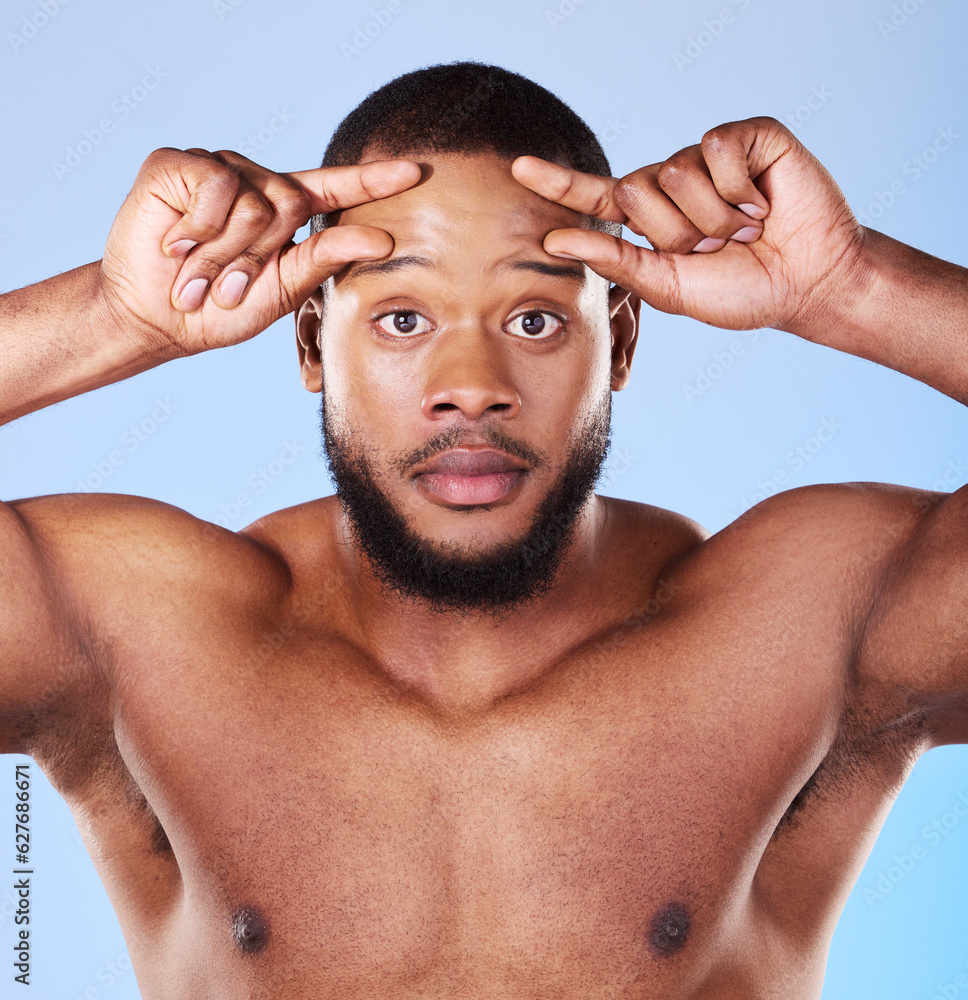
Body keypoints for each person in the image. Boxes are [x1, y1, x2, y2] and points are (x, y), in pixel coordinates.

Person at [2, 59, 966, 998]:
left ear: (620, 341)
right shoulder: (143, 629)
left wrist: (855, 285)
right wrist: (109, 313)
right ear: (309, 342)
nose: (472, 386)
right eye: (403, 321)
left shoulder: (799, 622)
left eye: (537, 320)